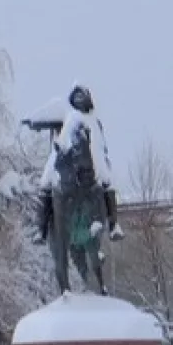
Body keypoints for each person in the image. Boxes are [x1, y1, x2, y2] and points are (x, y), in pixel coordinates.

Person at [35, 84, 123, 295]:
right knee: (45, 185)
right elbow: (63, 143)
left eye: (83, 98)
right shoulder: (71, 119)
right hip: (66, 163)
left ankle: (113, 225)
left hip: (95, 161)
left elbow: (101, 146)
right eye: (77, 98)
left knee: (107, 183)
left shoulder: (95, 123)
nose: (80, 101)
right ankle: (41, 229)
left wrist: (98, 157)